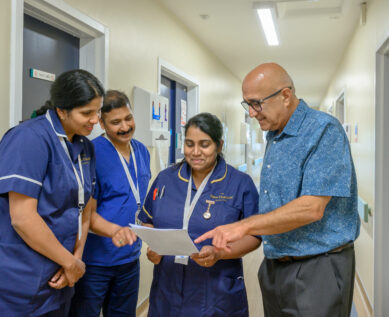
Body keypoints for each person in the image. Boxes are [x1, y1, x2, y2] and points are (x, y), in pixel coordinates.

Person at [195, 63, 360, 317]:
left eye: (256, 103)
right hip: (275, 266)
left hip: (318, 268)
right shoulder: (275, 135)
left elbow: (312, 208)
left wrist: (245, 225)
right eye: (246, 104)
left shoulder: (324, 130)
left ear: (285, 95)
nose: (251, 113)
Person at [0, 69, 105, 316]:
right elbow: (22, 218)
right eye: (86, 113)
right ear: (61, 110)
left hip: (62, 275)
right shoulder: (29, 138)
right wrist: (70, 263)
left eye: (98, 111)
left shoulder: (85, 147)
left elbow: (85, 207)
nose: (95, 120)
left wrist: (76, 259)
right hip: (21, 280)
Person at [138, 112, 260, 317]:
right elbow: (148, 221)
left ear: (219, 146)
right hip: (168, 285)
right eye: (189, 144)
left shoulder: (240, 183)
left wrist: (220, 253)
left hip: (216, 288)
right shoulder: (166, 179)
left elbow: (255, 236)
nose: (195, 152)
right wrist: (154, 248)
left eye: (204, 144)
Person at [70, 90, 151, 316]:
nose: (124, 127)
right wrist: (115, 231)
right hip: (95, 262)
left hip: (130, 259)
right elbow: (86, 212)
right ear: (102, 124)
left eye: (128, 118)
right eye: (115, 122)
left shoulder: (142, 151)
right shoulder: (90, 152)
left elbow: (141, 201)